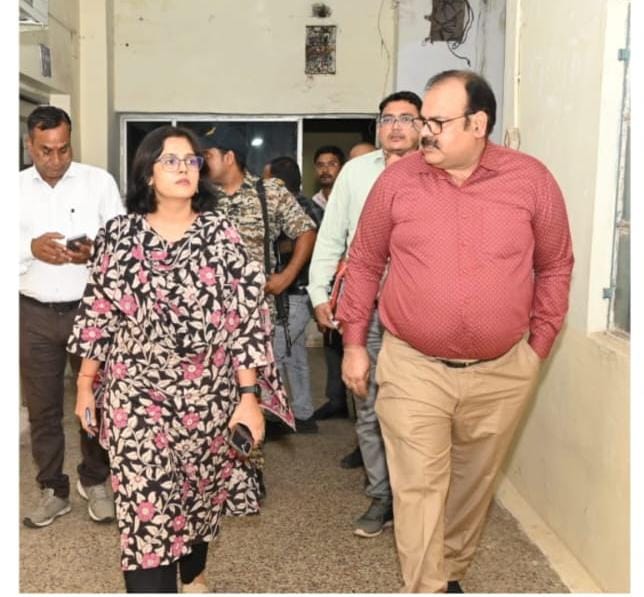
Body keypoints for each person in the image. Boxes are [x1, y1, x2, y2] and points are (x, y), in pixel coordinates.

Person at [337, 70, 574, 592]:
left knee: (472, 485)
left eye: (437, 122)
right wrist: (354, 342)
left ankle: (450, 573)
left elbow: (556, 265)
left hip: (502, 371)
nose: (424, 133)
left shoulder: (531, 181)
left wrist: (537, 348)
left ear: (478, 123)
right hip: (413, 365)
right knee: (418, 487)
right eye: (424, 120)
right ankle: (426, 586)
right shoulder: (397, 182)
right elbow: (365, 261)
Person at [67, 125, 292, 593]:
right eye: (170, 160)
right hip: (135, 395)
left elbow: (244, 321)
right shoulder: (119, 235)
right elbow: (98, 313)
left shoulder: (222, 235)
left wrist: (248, 397)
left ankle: (193, 572)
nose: (184, 168)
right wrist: (86, 385)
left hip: (208, 396)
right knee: (144, 511)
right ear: (148, 173)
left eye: (191, 160)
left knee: (197, 499)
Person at [307, 91, 422, 537]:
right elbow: (332, 235)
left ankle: (416, 495)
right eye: (387, 119)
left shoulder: (435, 171)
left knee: (417, 409)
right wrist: (320, 292)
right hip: (366, 310)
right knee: (369, 407)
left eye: (406, 118)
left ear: (423, 126)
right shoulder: (356, 173)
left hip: (419, 312)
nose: (396, 127)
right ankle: (382, 495)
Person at [20, 105, 122, 528]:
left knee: (94, 401)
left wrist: (95, 252)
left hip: (89, 310)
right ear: (30, 145)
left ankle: (95, 481)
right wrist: (30, 249)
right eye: (46, 150)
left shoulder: (98, 182)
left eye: (63, 149)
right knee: (43, 408)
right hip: (33, 313)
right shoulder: (12, 189)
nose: (56, 159)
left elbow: (121, 245)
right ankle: (53, 489)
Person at [201, 124, 316, 493]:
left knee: (252, 394)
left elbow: (305, 230)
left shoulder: (269, 192)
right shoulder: (199, 196)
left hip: (254, 315)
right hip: (205, 316)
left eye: (207, 155)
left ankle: (249, 474)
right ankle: (212, 474)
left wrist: (287, 276)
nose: (200, 163)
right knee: (208, 395)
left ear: (228, 157)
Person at [264, 156, 323, 432]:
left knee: (272, 355)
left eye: (266, 179)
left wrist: (271, 247)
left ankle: (271, 416)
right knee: (295, 357)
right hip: (292, 293)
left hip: (297, 291)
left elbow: (310, 241)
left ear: (278, 181)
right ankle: (304, 414)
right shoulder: (306, 204)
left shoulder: (299, 206)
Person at [307, 145, 350, 422]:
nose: (326, 170)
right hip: (326, 282)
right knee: (332, 342)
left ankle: (361, 404)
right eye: (321, 165)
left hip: (354, 279)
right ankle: (337, 399)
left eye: (332, 164)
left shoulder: (353, 196)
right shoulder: (311, 204)